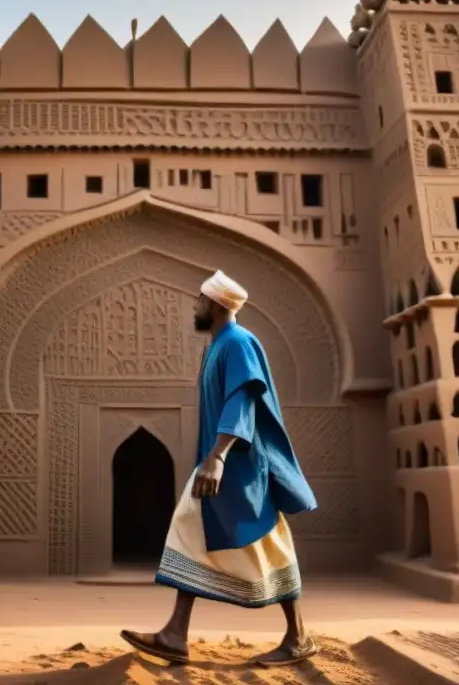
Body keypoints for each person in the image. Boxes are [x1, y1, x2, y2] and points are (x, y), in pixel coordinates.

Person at [120, 269, 319, 668]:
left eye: (199, 299)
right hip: (221, 463)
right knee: (196, 531)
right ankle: (176, 634)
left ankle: (296, 636)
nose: (194, 305)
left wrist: (219, 456)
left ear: (214, 304)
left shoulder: (239, 343)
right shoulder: (217, 347)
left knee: (266, 540)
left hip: (239, 465)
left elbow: (242, 399)